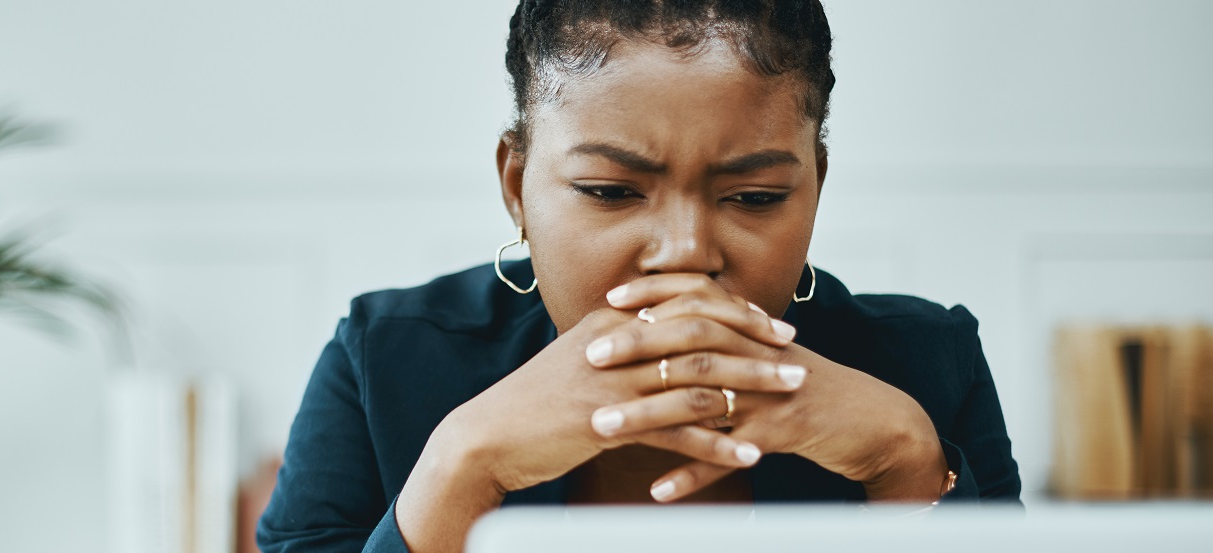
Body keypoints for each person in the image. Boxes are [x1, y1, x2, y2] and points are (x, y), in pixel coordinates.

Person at [257, 1, 1021, 551]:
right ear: (516, 184)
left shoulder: (929, 366)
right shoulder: (381, 362)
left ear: (814, 187)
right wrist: (463, 466)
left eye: (754, 197)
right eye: (611, 192)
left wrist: (906, 467)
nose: (685, 252)